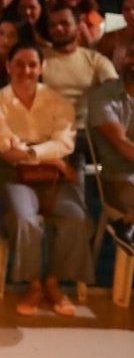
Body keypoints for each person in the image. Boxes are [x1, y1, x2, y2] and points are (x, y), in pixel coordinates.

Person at [0, 42, 93, 317]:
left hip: (53, 176)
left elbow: (64, 144)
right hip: (11, 173)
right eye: (19, 64)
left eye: (32, 64)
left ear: (41, 68)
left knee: (75, 217)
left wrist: (31, 152)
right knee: (24, 219)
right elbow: (7, 151)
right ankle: (33, 284)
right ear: (8, 67)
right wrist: (51, 157)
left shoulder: (58, 102)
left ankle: (53, 281)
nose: (26, 70)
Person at [86, 38, 134, 252]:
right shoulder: (102, 96)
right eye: (131, 55)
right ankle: (127, 225)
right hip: (117, 178)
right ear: (121, 59)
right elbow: (121, 144)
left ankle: (127, 225)